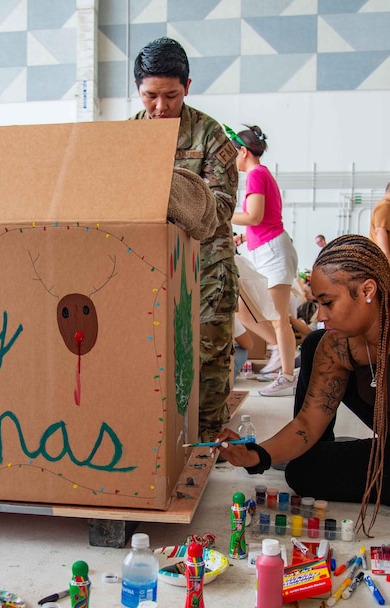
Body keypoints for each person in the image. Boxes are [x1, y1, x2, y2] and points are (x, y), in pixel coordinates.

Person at [216, 235, 390, 553]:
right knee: (302, 469)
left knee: (319, 345)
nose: (320, 315)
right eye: (317, 304)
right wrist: (256, 455)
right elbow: (307, 422)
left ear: (367, 291)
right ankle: (333, 451)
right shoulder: (340, 343)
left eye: (328, 302)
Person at [132, 37, 239, 440]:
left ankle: (207, 444)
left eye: (171, 96)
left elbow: (222, 208)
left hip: (207, 269)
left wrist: (167, 191)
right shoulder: (128, 138)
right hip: (149, 267)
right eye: (150, 96)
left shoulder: (211, 136)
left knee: (208, 359)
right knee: (153, 354)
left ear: (188, 87)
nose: (160, 107)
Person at [229, 124, 298, 397]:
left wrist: (220, 211)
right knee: (246, 310)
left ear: (244, 152)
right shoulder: (258, 175)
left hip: (273, 251)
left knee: (279, 318)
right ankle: (280, 350)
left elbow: (254, 216)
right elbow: (261, 218)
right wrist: (244, 237)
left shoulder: (256, 175)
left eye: (233, 154)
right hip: (262, 248)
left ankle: (288, 377)